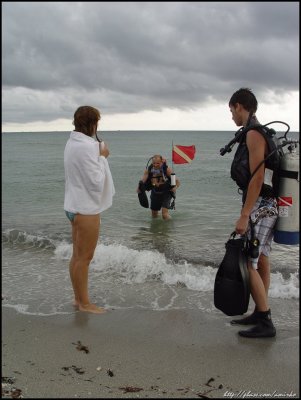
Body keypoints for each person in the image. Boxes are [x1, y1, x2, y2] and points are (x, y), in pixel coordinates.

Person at [228, 88, 278, 338]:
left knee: (248, 262)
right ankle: (260, 312)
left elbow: (258, 176)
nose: (232, 117)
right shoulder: (260, 132)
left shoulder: (254, 134)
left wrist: (245, 214)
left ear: (239, 106)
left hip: (260, 205)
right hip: (268, 204)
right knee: (263, 260)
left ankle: (266, 321)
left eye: (231, 111)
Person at [64, 106, 115, 314]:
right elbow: (95, 181)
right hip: (85, 209)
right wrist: (103, 156)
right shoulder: (88, 147)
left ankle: (78, 299)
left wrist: (99, 152)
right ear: (93, 123)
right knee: (84, 258)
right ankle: (85, 304)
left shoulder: (72, 142)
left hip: (72, 206)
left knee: (77, 256)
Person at [137, 155, 180, 220]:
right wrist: (139, 188)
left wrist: (175, 187)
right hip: (155, 191)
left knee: (164, 215)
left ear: (161, 162)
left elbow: (177, 182)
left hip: (167, 192)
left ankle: (170, 227)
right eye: (154, 163)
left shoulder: (167, 170)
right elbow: (142, 181)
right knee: (154, 215)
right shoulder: (149, 171)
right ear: (152, 162)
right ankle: (156, 229)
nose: (155, 165)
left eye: (158, 163)